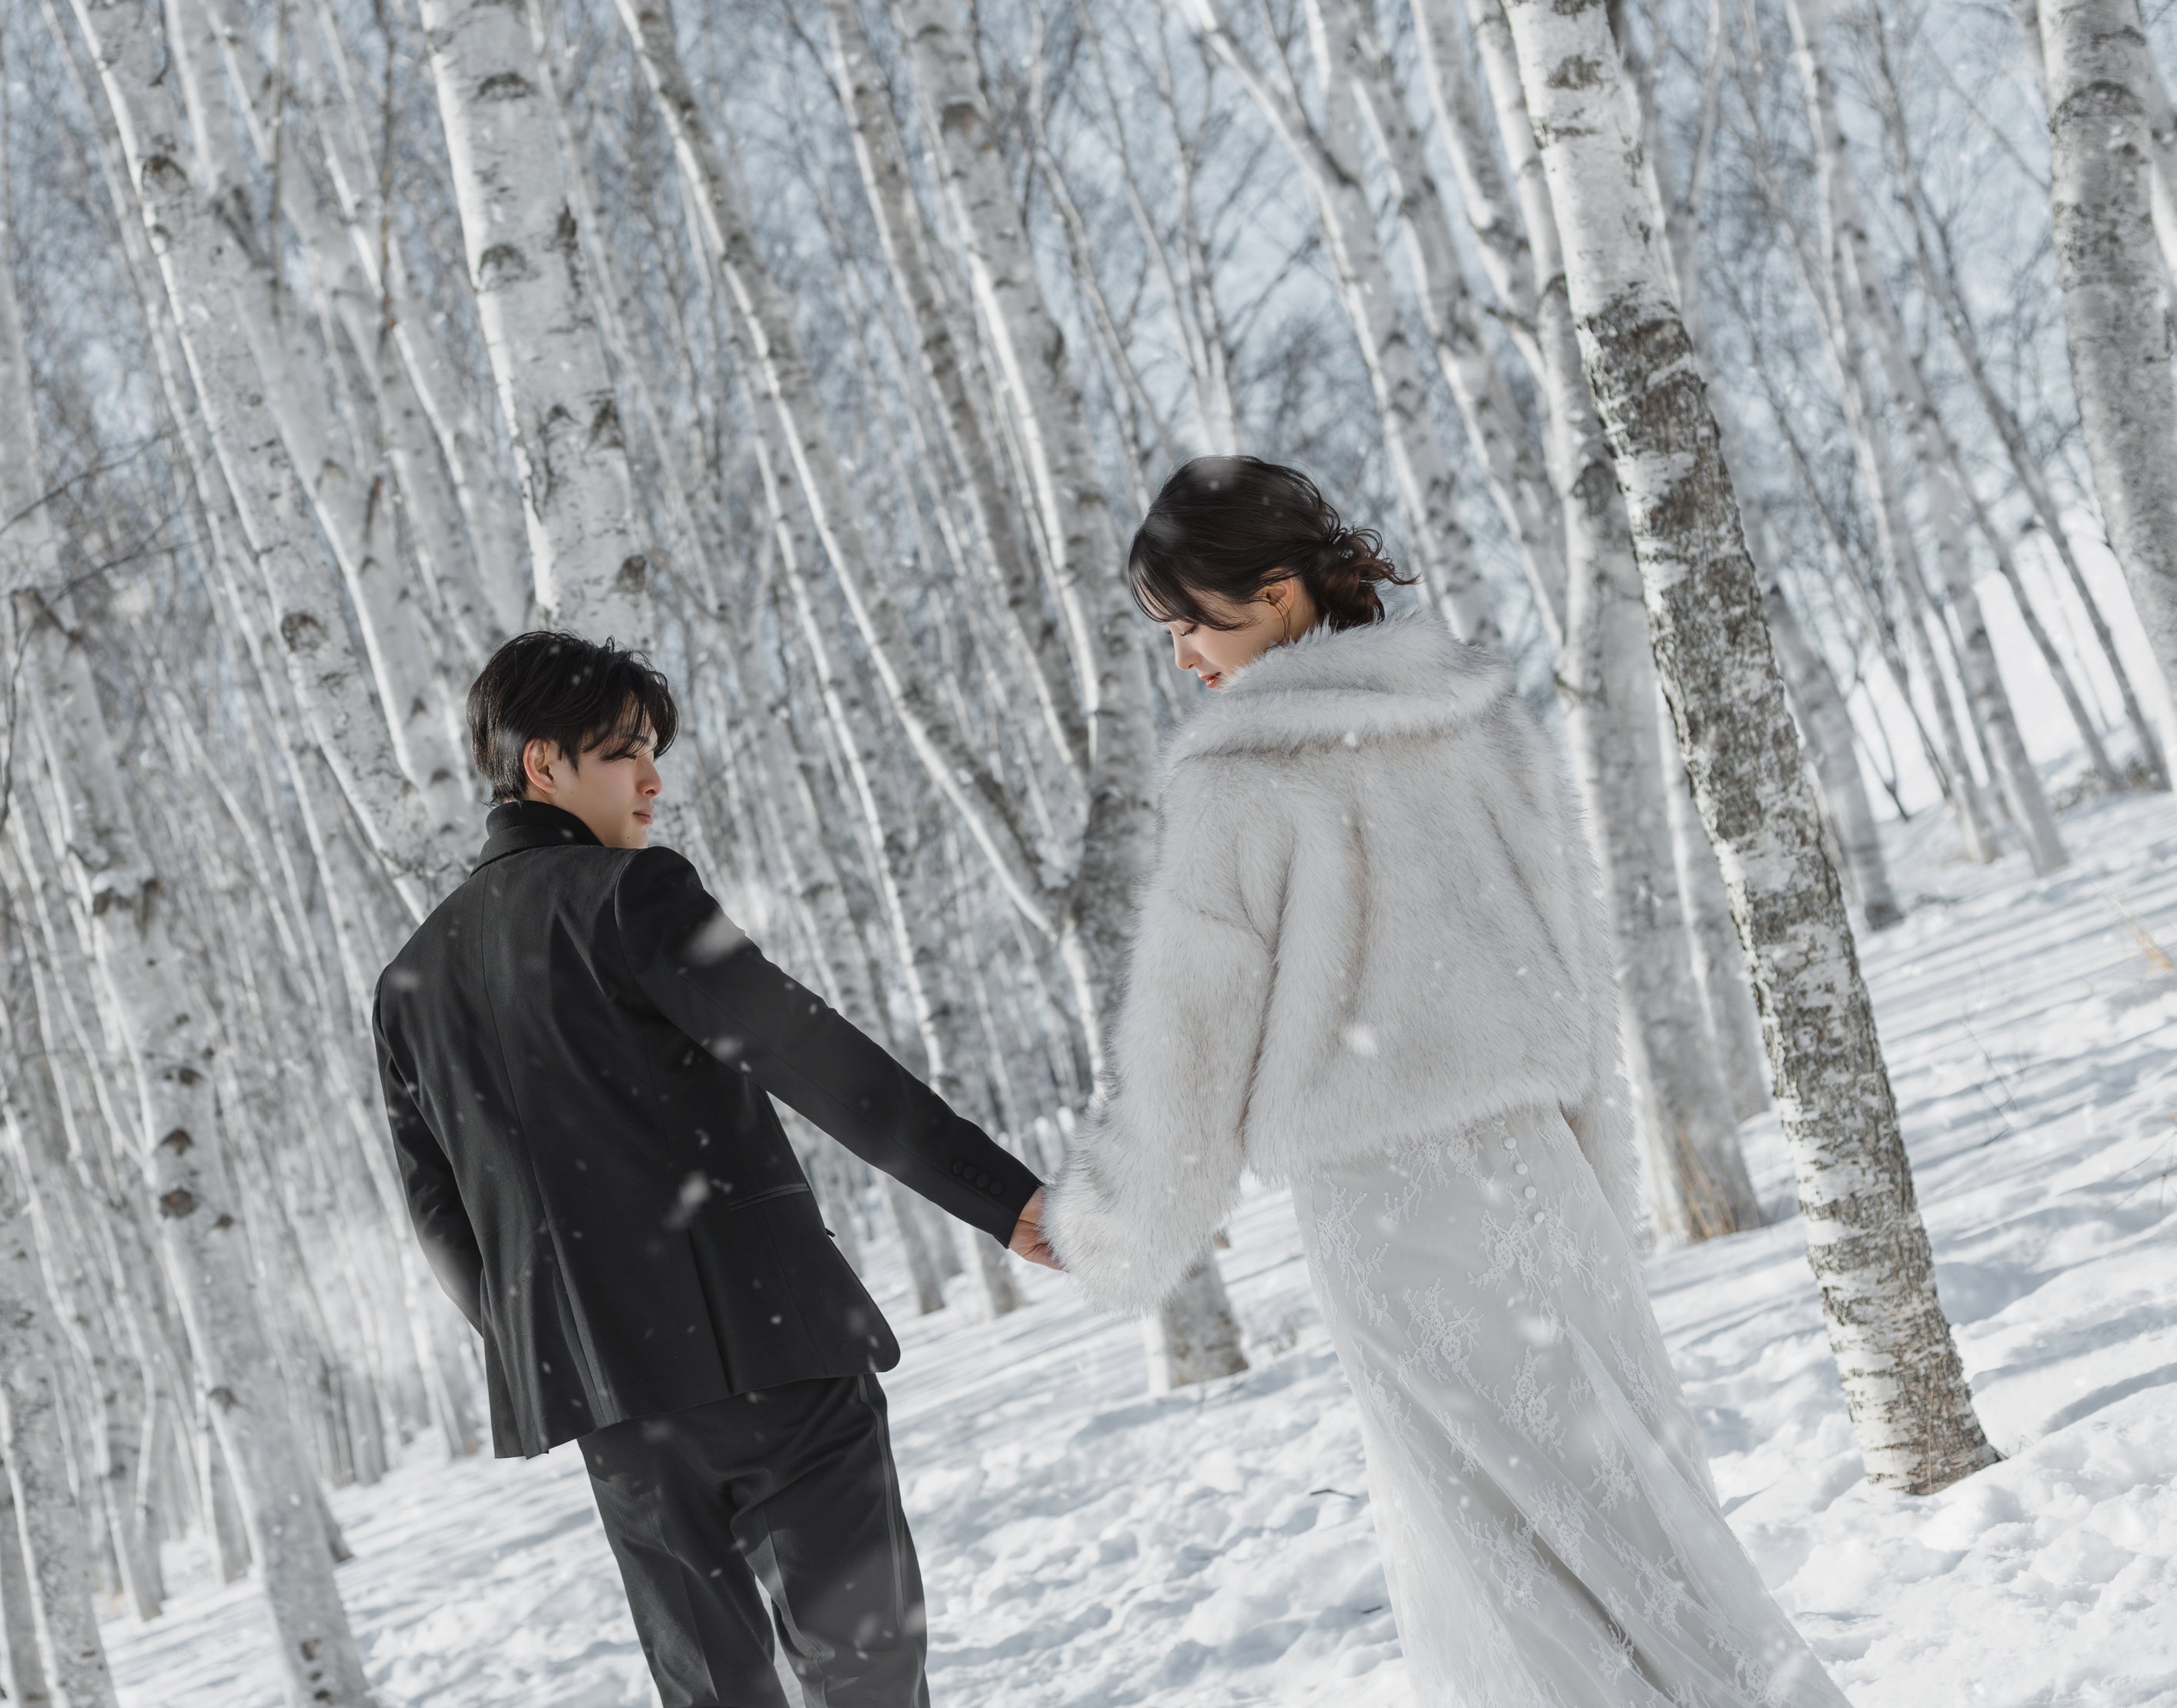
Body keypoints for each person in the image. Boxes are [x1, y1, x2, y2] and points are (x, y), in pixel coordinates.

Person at [1043, 457, 1849, 1708]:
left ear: (1280, 592)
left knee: (1492, 1545)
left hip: (1389, 1212)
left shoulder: (1237, 777)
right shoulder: (1480, 718)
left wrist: (1109, 1228)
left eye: (1190, 621)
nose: (1183, 656)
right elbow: (1570, 971)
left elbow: (1188, 1050)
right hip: (1542, 1180)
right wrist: (1595, 1170)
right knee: (1631, 1516)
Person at [374, 630, 1055, 1708]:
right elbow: (811, 1055)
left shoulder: (409, 981)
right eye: (623, 754)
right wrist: (1003, 1199)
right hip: (771, 1358)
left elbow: (440, 1215)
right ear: (541, 764)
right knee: (866, 1681)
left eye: (654, 751)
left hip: (616, 1414)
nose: (652, 780)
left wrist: (555, 1346)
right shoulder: (626, 894)